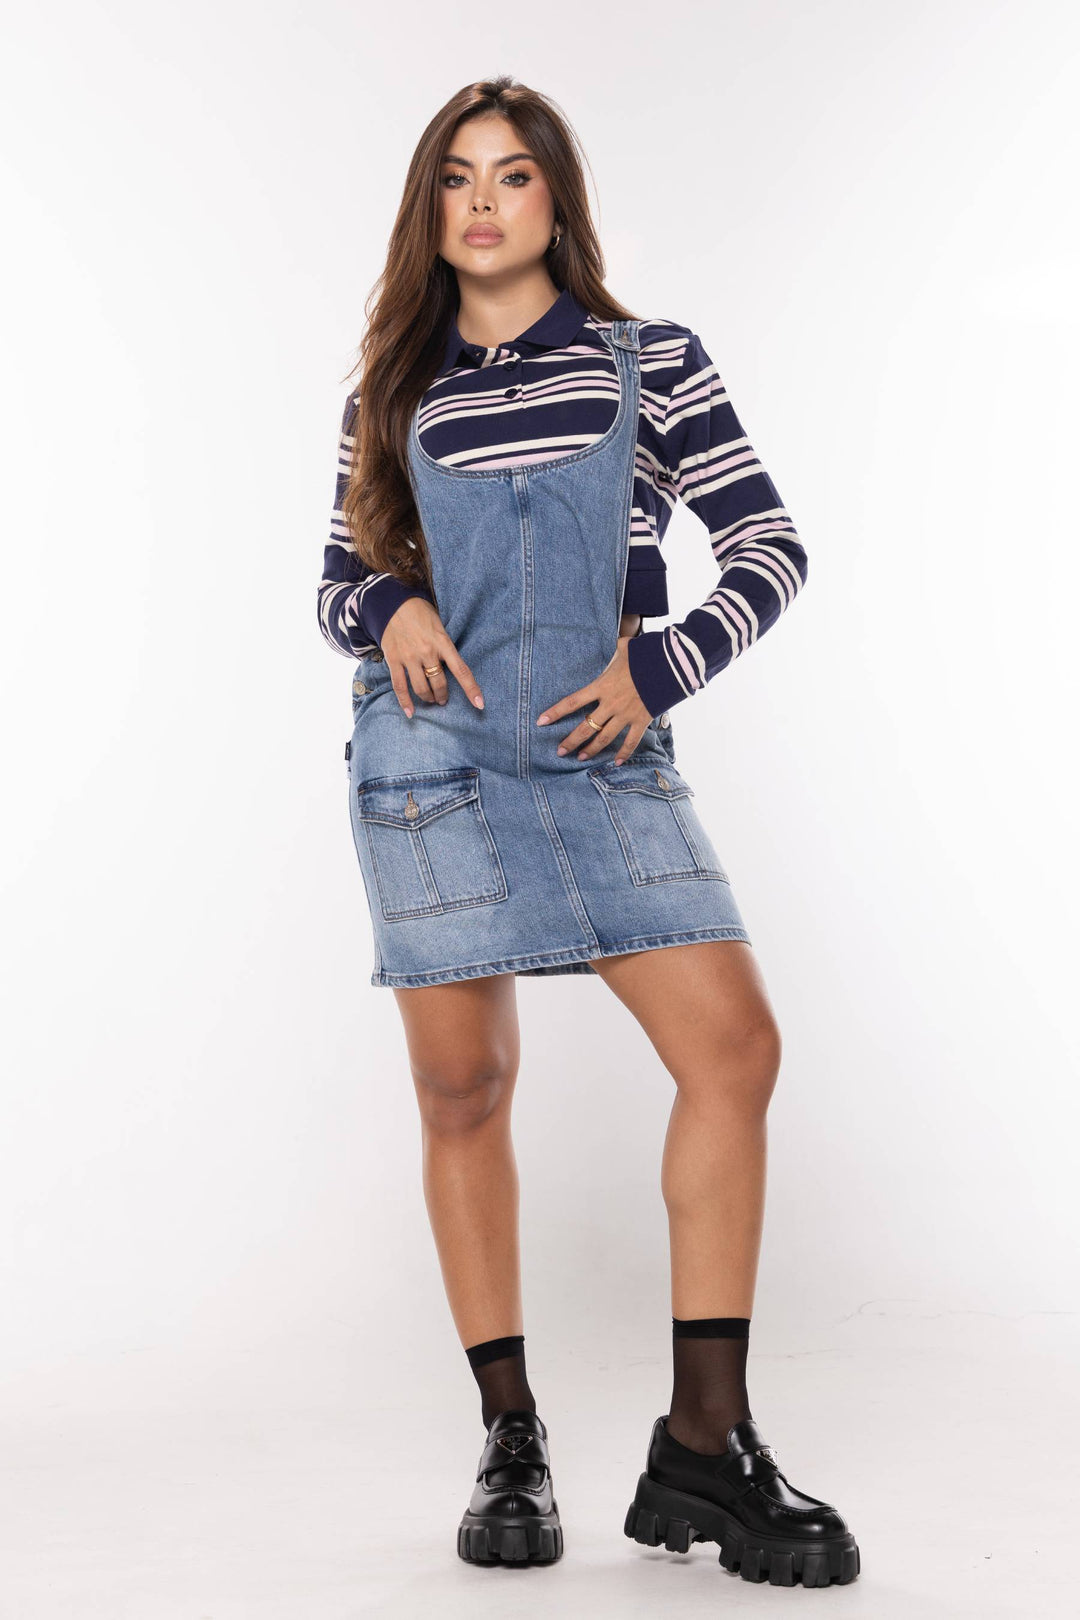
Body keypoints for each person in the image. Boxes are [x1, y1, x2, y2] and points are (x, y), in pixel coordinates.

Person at [316, 76, 860, 1588]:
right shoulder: (392, 390)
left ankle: (705, 1443)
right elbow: (334, 579)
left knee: (733, 1050)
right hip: (433, 760)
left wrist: (663, 669)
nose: (483, 202)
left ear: (557, 200)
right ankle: (511, 1436)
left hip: (600, 757)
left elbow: (768, 542)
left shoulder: (648, 360)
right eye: (456, 178)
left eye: (513, 174)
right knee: (465, 1087)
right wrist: (391, 602)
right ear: (430, 210)